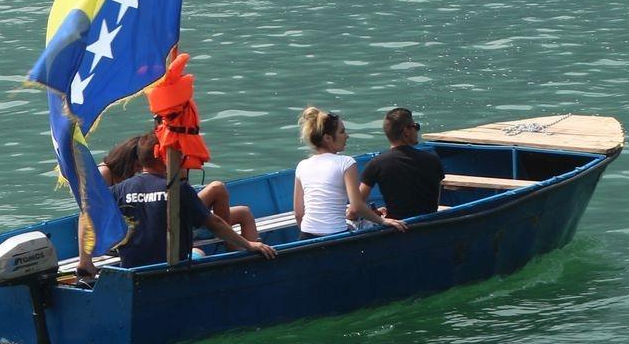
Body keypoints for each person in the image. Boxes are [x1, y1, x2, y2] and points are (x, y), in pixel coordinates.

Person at [86, 131, 274, 276]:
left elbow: (89, 211)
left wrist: (86, 258)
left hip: (132, 271)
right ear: (163, 156)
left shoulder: (119, 190)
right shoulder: (177, 189)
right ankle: (239, 266)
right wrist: (249, 245)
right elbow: (214, 223)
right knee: (199, 252)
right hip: (171, 269)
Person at [102, 131, 260, 242]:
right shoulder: (107, 175)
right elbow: (97, 213)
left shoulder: (127, 183)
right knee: (218, 189)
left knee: (243, 212)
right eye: (137, 165)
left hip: (156, 214)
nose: (139, 169)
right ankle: (230, 244)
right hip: (152, 221)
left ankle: (229, 245)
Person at [293, 107, 406, 238]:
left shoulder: (302, 166)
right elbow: (356, 206)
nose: (347, 136)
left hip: (306, 234)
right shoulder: (346, 162)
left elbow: (299, 214)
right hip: (336, 234)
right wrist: (383, 221)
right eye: (342, 132)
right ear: (328, 138)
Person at [357, 108, 445, 222]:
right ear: (406, 131)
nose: (417, 131)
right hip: (428, 223)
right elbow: (435, 201)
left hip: (397, 227)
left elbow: (357, 206)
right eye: (416, 126)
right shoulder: (432, 160)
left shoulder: (376, 164)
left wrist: (374, 216)